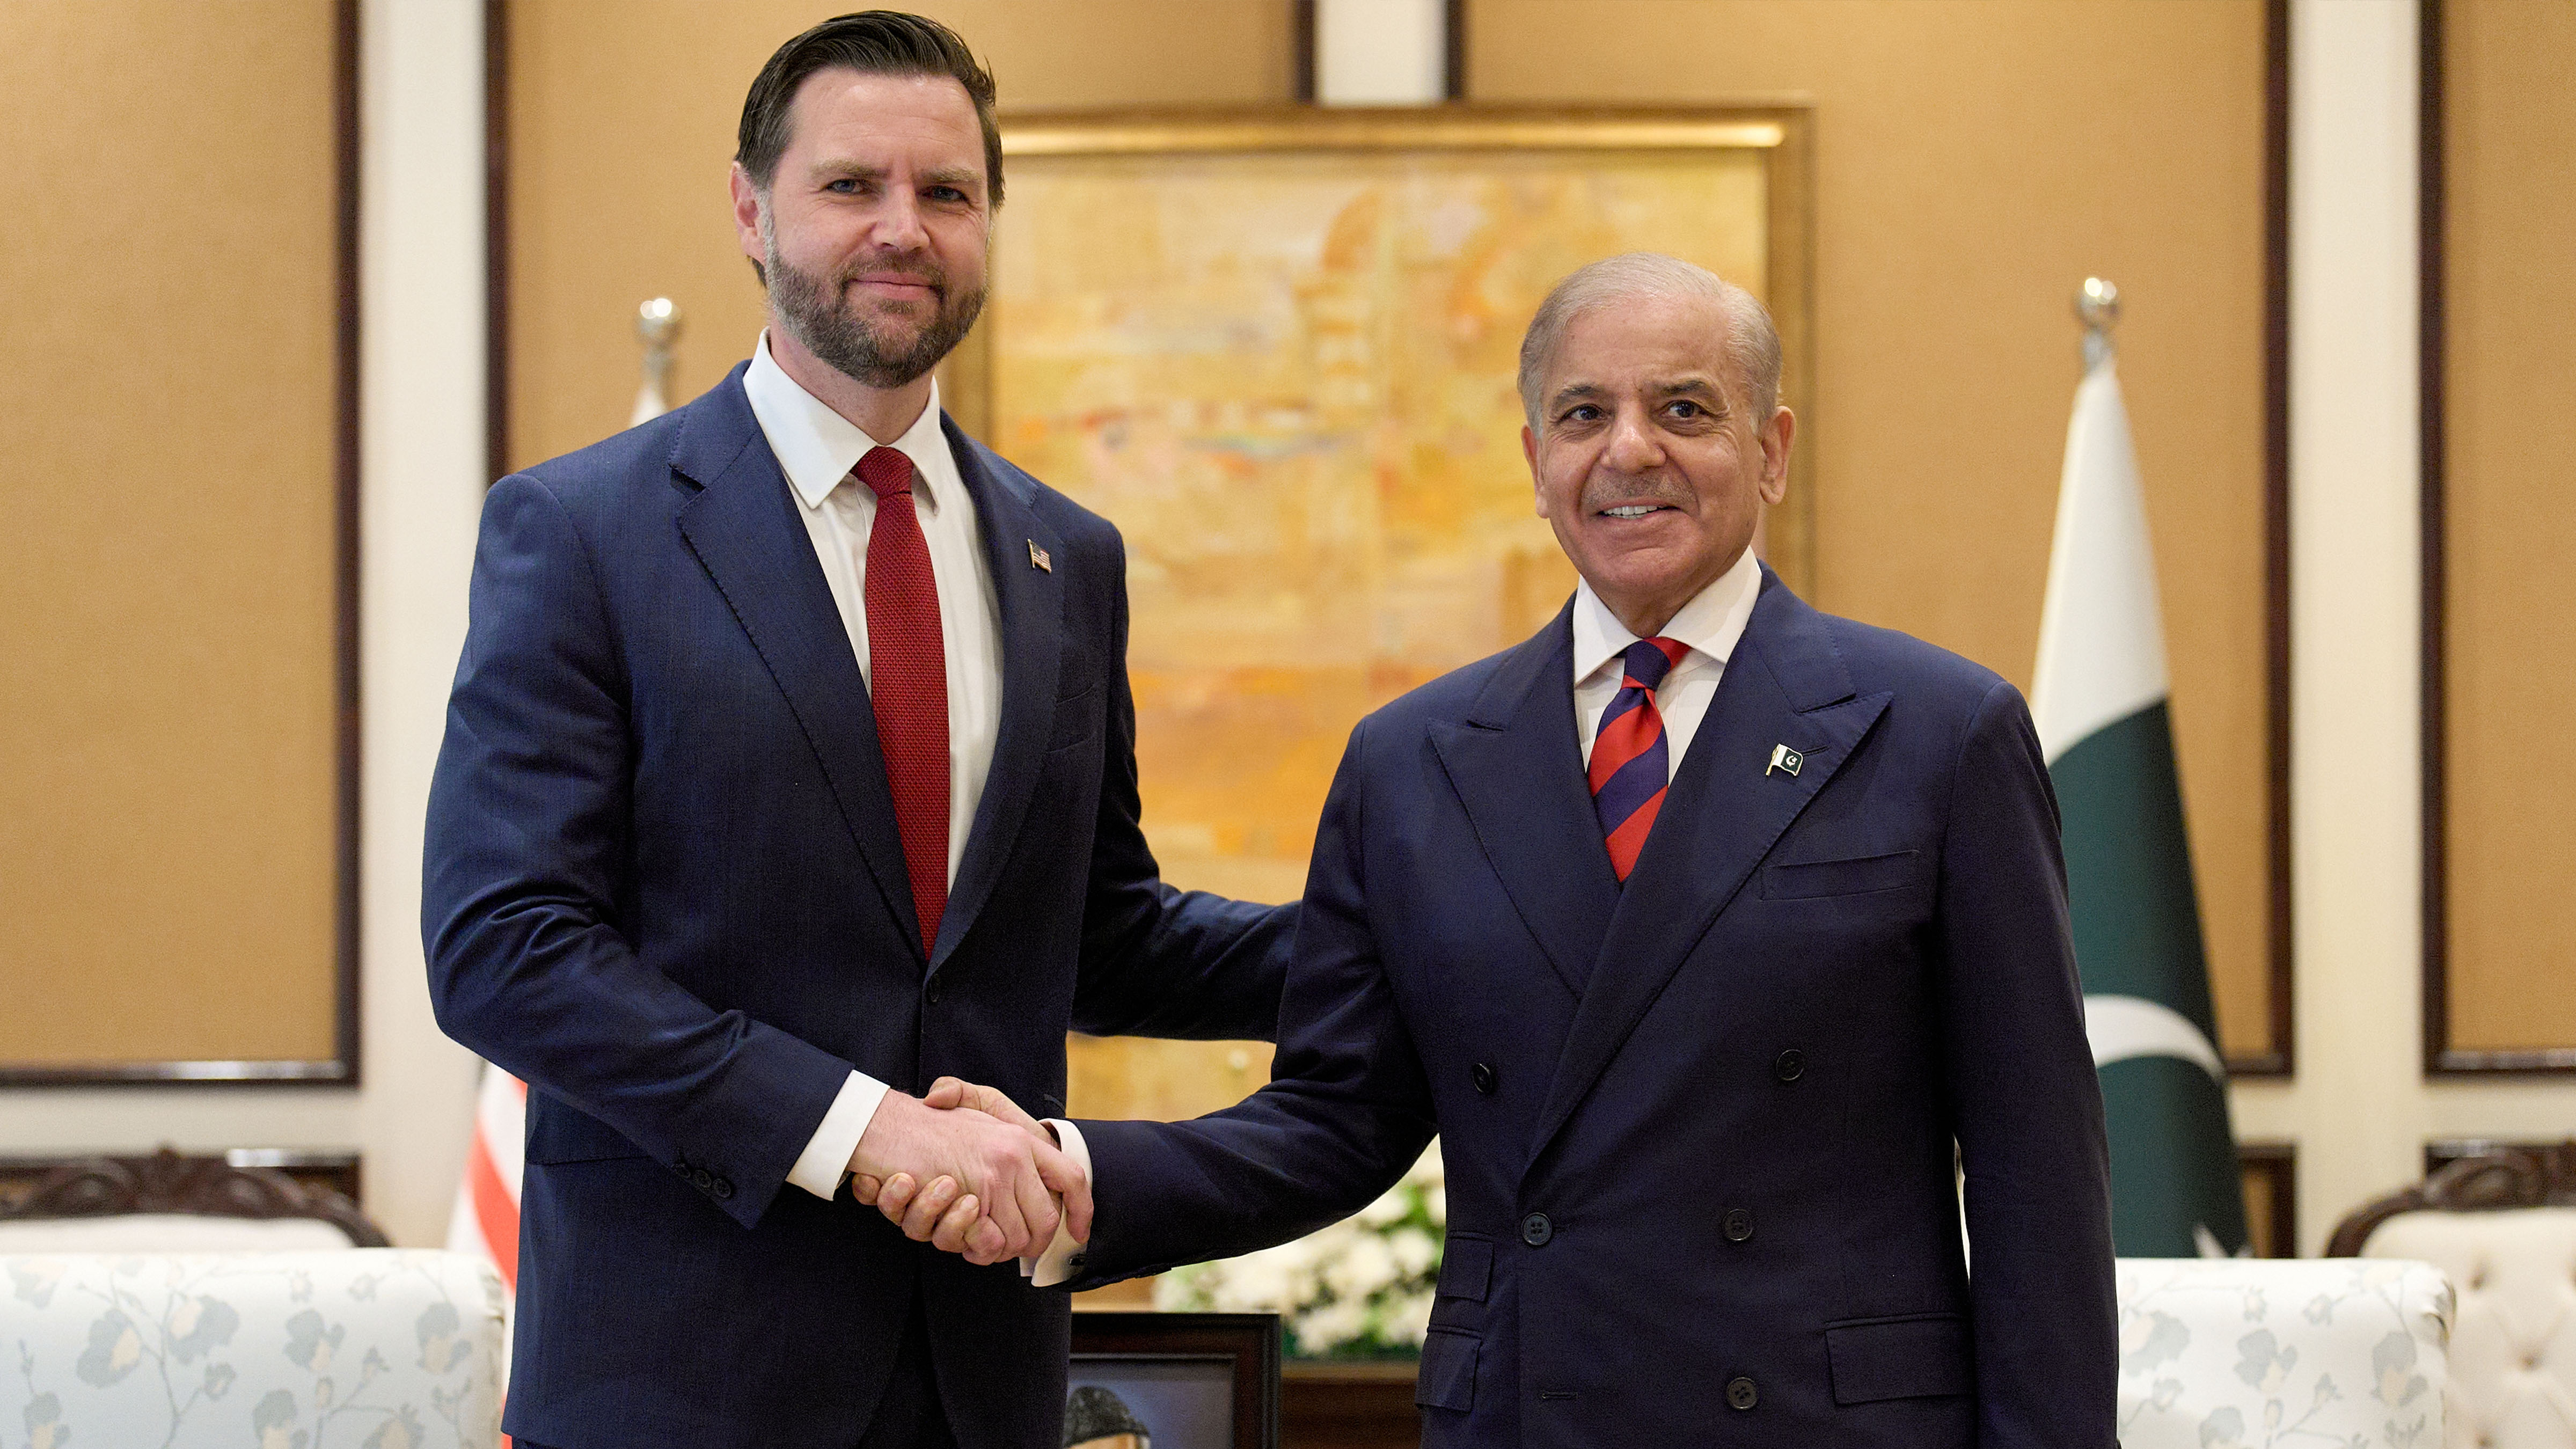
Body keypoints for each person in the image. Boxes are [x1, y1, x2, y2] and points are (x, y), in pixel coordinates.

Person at [885, 253, 2118, 1444]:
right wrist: (1072, 1171)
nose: (1629, 449)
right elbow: (1336, 1119)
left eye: (1684, 409)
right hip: (1530, 1407)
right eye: (1585, 414)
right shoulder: (1413, 761)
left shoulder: (1938, 733)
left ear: (1771, 450)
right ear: (1536, 463)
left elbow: (2040, 1177)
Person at [420, 13, 1293, 1449]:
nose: (904, 228)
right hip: (680, 1381)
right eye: (850, 185)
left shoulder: (1068, 557)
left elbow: (1097, 934)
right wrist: (863, 1130)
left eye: (947, 192)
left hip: (980, 1376)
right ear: (750, 210)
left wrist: (1409, 936)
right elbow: (504, 947)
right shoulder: (582, 532)